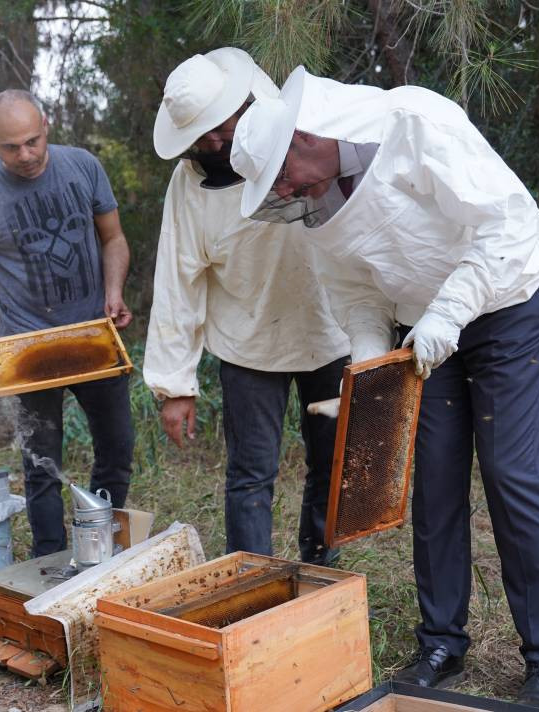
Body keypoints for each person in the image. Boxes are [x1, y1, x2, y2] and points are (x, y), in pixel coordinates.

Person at [230, 67, 539, 711]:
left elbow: (500, 228)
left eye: (280, 176)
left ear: (306, 135)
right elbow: (357, 294)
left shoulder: (416, 121)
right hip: (425, 328)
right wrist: (370, 368)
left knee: (510, 473)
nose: (283, 192)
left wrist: (447, 317)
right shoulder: (316, 197)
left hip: (509, 297)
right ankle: (442, 641)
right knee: (434, 476)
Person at [144, 49, 394, 565]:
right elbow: (176, 280)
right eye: (202, 135)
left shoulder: (307, 137)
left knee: (331, 462)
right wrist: (174, 385)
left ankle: (321, 570)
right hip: (246, 343)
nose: (215, 142)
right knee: (251, 474)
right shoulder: (188, 186)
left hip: (330, 328)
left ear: (242, 103)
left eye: (221, 126)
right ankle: (251, 581)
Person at [0, 89, 134, 558]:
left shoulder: (84, 166)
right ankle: (49, 559)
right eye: (12, 147)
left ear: (46, 124)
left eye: (33, 141)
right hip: (28, 347)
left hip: (93, 336)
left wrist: (114, 291)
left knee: (117, 449)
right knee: (41, 462)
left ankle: (99, 543)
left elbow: (113, 239)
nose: (26, 155)